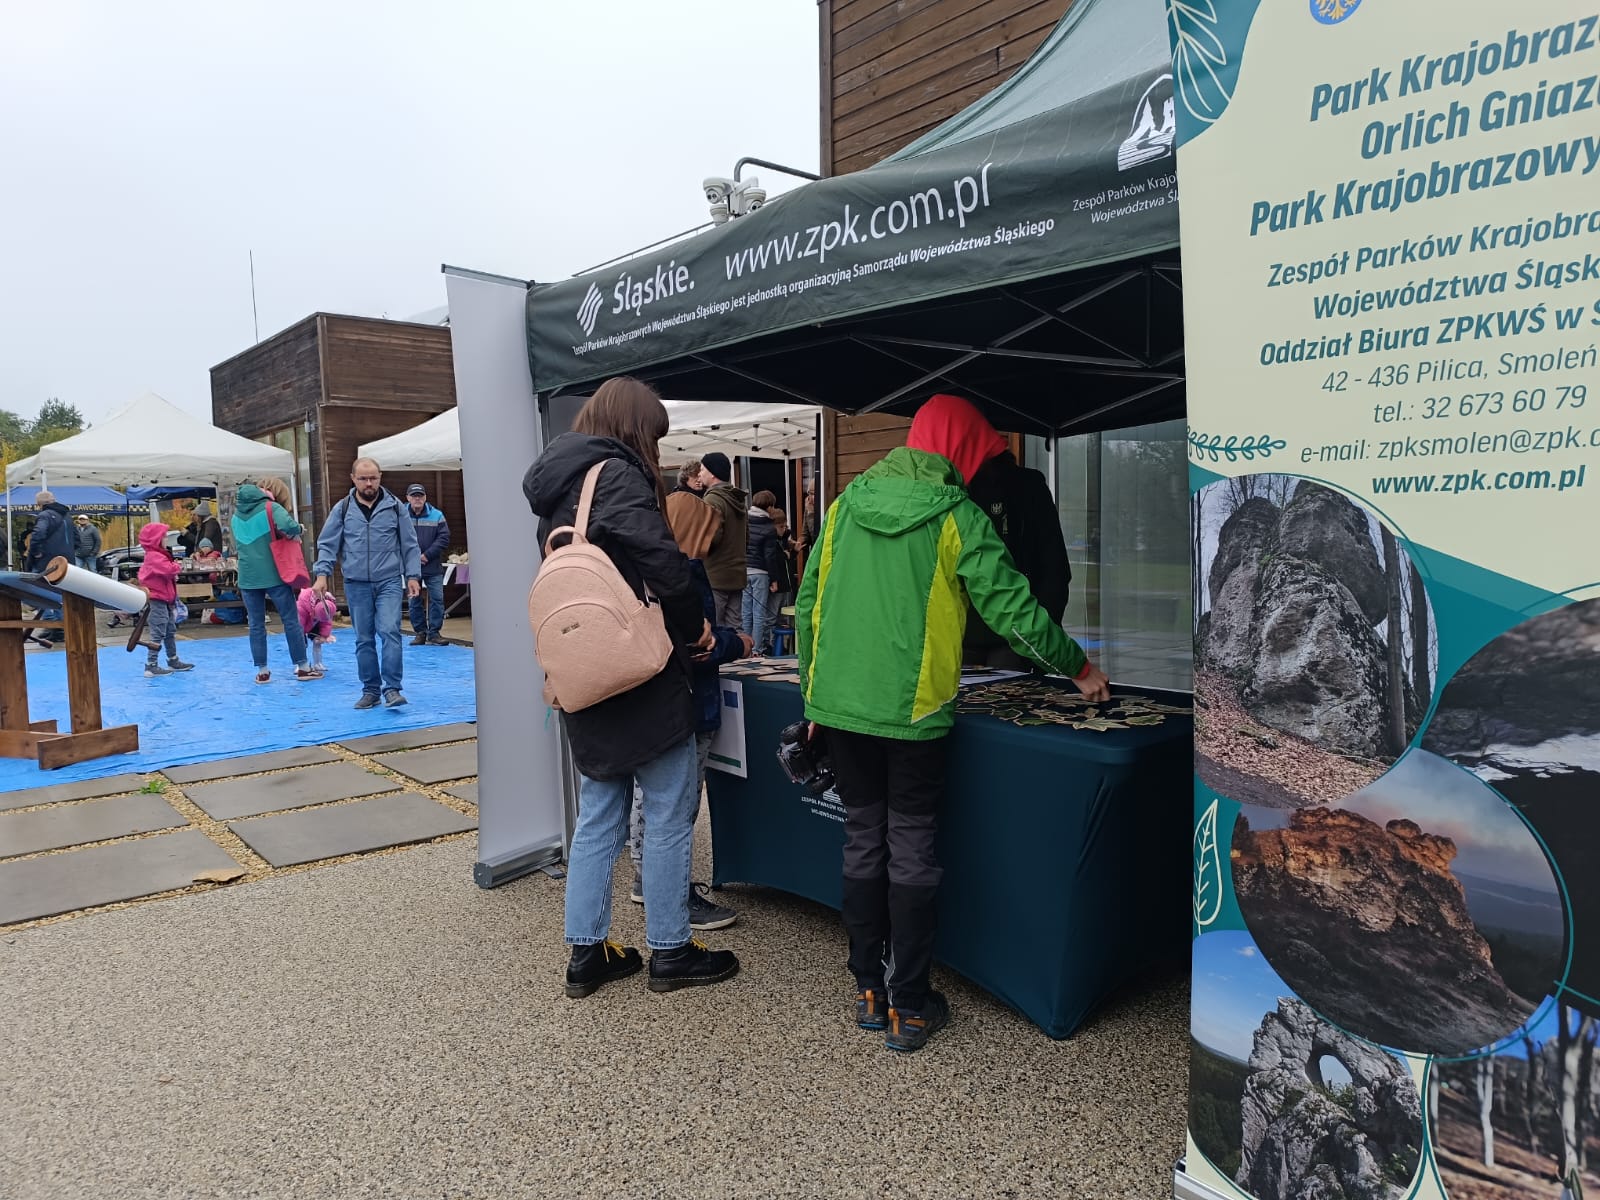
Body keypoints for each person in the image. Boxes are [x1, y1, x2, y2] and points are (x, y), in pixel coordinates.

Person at [796, 392, 1110, 1053]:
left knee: (861, 841)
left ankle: (866, 989)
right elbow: (1015, 612)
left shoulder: (846, 505)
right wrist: (1078, 667)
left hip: (842, 710)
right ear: (962, 450)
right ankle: (909, 1003)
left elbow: (807, 607)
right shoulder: (957, 515)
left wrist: (812, 700)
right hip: (914, 720)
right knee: (909, 851)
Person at [523, 375, 739, 997]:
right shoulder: (613, 475)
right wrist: (695, 627)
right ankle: (670, 951)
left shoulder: (555, 491)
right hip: (639, 669)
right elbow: (664, 567)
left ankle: (586, 956)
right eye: (655, 435)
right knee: (670, 813)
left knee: (597, 819)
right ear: (634, 428)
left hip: (584, 670)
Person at [627, 489, 751, 931]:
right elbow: (700, 644)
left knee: (651, 797)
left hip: (653, 704)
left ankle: (646, 877)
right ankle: (675, 894)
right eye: (712, 529)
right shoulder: (685, 572)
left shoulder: (641, 568)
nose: (716, 536)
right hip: (692, 704)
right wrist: (738, 643)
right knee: (678, 806)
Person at [947, 397, 1073, 669]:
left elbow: (1054, 569)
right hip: (957, 639)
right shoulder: (950, 493)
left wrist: (1042, 633)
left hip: (1019, 636)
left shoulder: (1027, 486)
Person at [313, 458, 421, 709]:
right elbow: (328, 543)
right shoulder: (342, 509)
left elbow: (410, 544)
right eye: (363, 478)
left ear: (380, 477)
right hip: (356, 583)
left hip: (389, 581)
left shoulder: (396, 507)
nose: (369, 483)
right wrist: (321, 575)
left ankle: (392, 689)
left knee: (390, 631)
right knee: (363, 638)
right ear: (353, 479)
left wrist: (413, 575)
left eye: (373, 478)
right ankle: (370, 690)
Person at [232, 478, 318, 684]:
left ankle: (262, 671)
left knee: (256, 624)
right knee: (290, 620)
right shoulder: (271, 507)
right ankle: (303, 667)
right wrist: (299, 528)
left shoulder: (235, 515)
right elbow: (289, 526)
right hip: (274, 574)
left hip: (247, 576)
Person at [135, 523, 195, 677]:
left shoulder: (158, 555)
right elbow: (168, 569)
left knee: (169, 630)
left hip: (164, 599)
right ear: (156, 539)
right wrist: (176, 565)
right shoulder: (155, 556)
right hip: (158, 599)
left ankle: (173, 659)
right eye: (164, 536)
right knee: (159, 631)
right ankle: (151, 664)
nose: (166, 539)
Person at [697, 452, 748, 631]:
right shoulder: (738, 499)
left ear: (712, 473)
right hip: (737, 573)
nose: (699, 474)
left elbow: (712, 537)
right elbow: (746, 537)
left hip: (715, 576)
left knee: (715, 629)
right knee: (735, 629)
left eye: (702, 469)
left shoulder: (712, 499)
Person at [404, 483, 451, 646]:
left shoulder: (437, 515)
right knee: (413, 600)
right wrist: (411, 558)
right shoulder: (400, 515)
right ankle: (420, 633)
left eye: (420, 495)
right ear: (408, 498)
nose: (417, 499)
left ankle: (434, 633)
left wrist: (426, 555)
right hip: (410, 567)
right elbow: (394, 537)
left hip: (432, 565)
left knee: (437, 599)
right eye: (414, 495)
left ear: (425, 498)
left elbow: (444, 538)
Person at [25, 491, 72, 643]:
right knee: (59, 593)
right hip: (66, 560)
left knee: (36, 591)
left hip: (48, 561)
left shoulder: (45, 515)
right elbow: (76, 539)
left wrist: (36, 552)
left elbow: (38, 534)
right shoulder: (67, 516)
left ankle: (53, 625)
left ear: (40, 504)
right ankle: (57, 626)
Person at [742, 489, 784, 656]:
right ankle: (757, 650)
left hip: (744, 571)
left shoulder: (744, 520)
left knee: (746, 612)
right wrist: (774, 579)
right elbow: (769, 556)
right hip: (760, 572)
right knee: (759, 612)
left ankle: (744, 648)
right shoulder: (768, 527)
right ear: (769, 506)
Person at [766, 506, 799, 646]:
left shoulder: (783, 541)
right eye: (781, 527)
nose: (784, 529)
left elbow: (788, 562)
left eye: (785, 526)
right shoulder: (771, 542)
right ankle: (769, 643)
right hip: (777, 584)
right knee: (772, 615)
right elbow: (773, 561)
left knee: (783, 618)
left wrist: (794, 553)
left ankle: (783, 645)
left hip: (786, 584)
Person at [297, 585, 338, 674]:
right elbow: (299, 624)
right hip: (304, 622)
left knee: (318, 642)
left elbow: (327, 622)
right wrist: (300, 635)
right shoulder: (302, 607)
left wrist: (324, 635)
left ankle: (318, 663)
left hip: (315, 621)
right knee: (301, 644)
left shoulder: (328, 605)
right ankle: (300, 665)